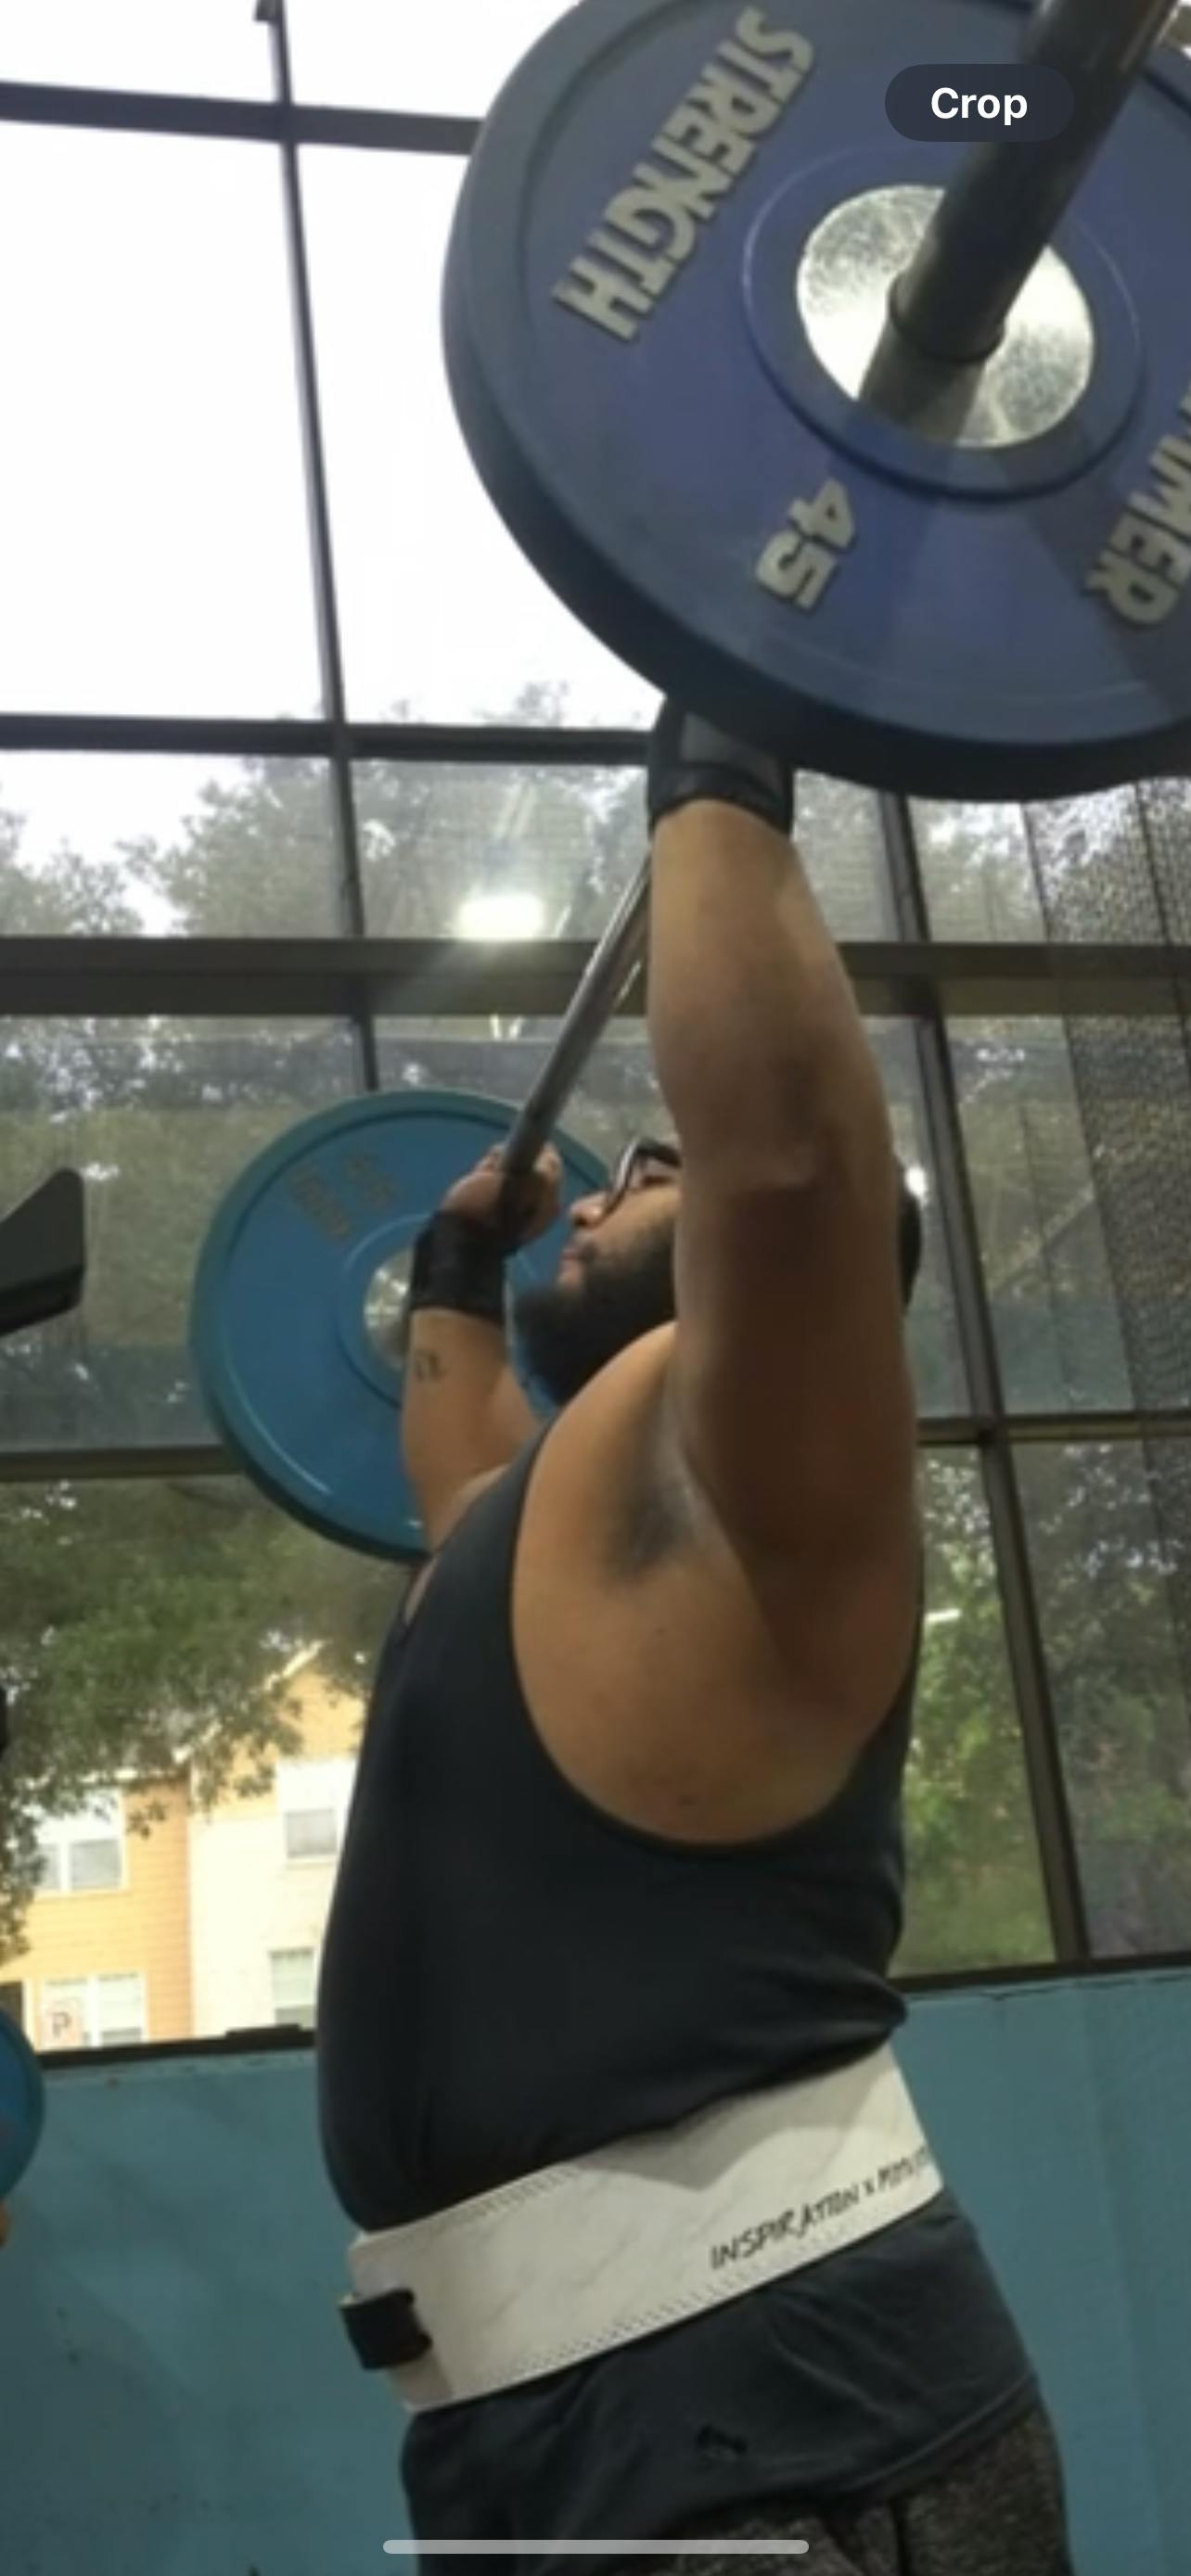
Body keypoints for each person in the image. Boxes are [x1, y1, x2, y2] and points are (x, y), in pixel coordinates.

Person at [316, 708, 1076, 2576]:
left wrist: (721, 755)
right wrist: (455, 1269)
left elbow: (795, 1163)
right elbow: (455, 1465)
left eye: (651, 1170)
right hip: (536, 2435)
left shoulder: (767, 1482)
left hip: (779, 2415)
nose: (602, 1183)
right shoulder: (550, 1522)